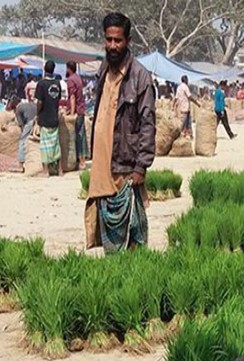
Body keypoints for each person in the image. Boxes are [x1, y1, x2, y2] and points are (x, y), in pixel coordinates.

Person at [85, 12, 155, 254]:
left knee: (131, 233)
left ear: (128, 41)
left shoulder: (139, 76)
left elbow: (147, 122)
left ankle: (133, 281)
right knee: (109, 232)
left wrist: (141, 166)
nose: (113, 46)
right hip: (103, 167)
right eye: (109, 40)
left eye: (118, 40)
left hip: (126, 166)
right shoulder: (104, 70)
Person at [35, 60, 63, 176]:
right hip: (54, 117)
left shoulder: (41, 84)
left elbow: (40, 102)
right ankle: (60, 170)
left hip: (45, 117)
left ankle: (46, 171)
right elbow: (58, 99)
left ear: (44, 69)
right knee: (56, 144)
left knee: (45, 145)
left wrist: (37, 113)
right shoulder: (57, 83)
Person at [66, 61, 89, 170]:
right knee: (82, 135)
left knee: (76, 137)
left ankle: (78, 161)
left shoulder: (71, 80)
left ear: (69, 69)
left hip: (76, 112)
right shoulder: (78, 78)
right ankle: (83, 160)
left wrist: (71, 113)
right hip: (82, 110)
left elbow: (72, 97)